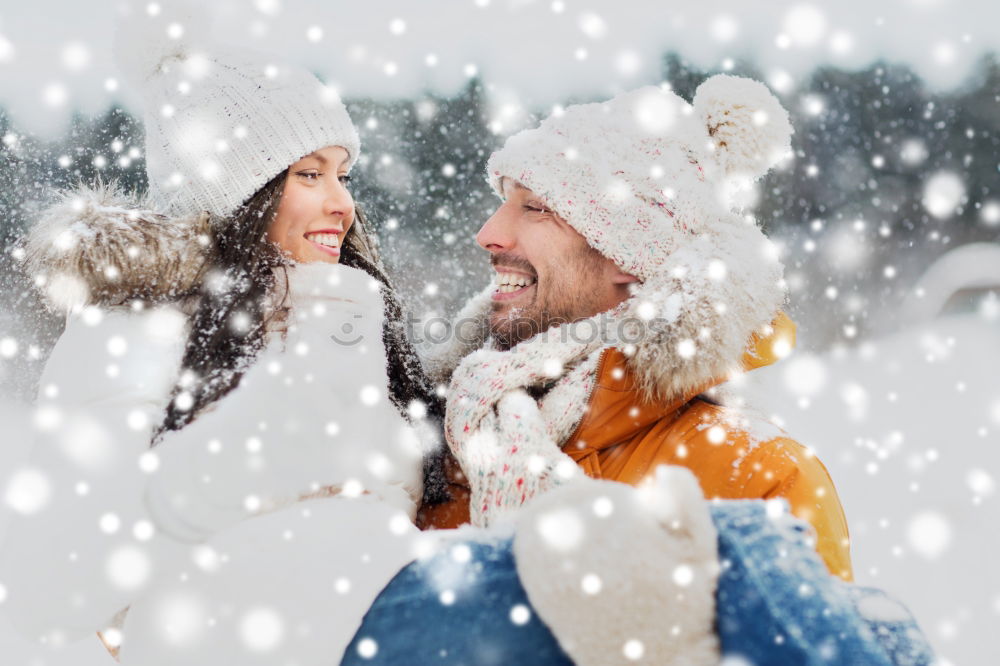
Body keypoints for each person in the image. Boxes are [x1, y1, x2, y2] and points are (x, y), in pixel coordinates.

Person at [0, 9, 725, 665]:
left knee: (705, 574)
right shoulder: (135, 331)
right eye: (309, 174)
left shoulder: (341, 318)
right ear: (231, 190)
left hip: (394, 619)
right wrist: (243, 458)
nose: (342, 203)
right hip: (327, 637)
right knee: (713, 575)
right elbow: (46, 586)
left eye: (342, 174)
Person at [418, 76, 853, 582]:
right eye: (504, 202)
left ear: (629, 256)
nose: (488, 234)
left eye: (535, 208)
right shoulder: (439, 439)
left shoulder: (758, 479)